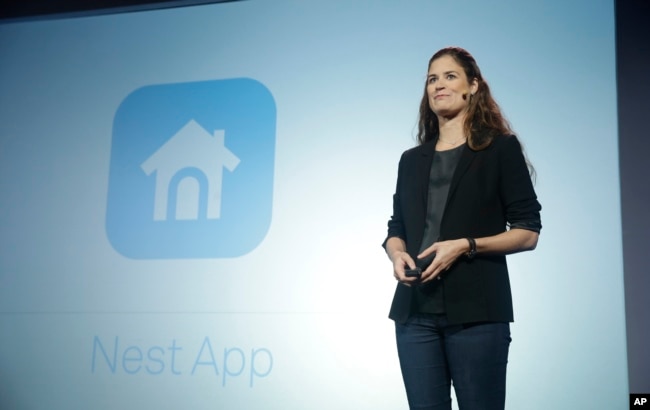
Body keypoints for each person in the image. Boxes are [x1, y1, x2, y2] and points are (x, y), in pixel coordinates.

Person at [383, 46, 542, 410]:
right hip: (414, 313)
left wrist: (466, 245)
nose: (439, 85)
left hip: (477, 313)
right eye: (431, 79)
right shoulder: (411, 161)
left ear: (472, 86)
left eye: (449, 76)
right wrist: (397, 253)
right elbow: (397, 227)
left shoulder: (500, 149)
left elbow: (528, 231)